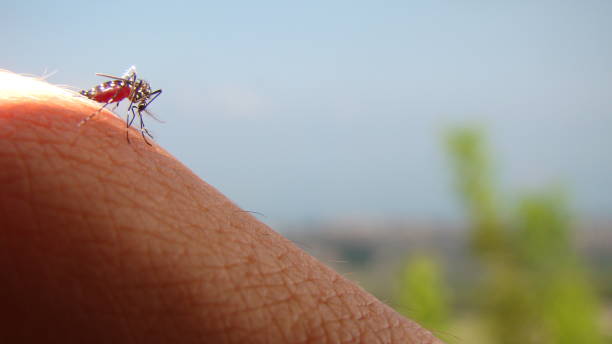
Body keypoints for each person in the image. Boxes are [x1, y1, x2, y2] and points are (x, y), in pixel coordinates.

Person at [0, 70, 442, 344]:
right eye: (141, 96)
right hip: (88, 106)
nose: (142, 98)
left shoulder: (133, 93)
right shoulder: (117, 95)